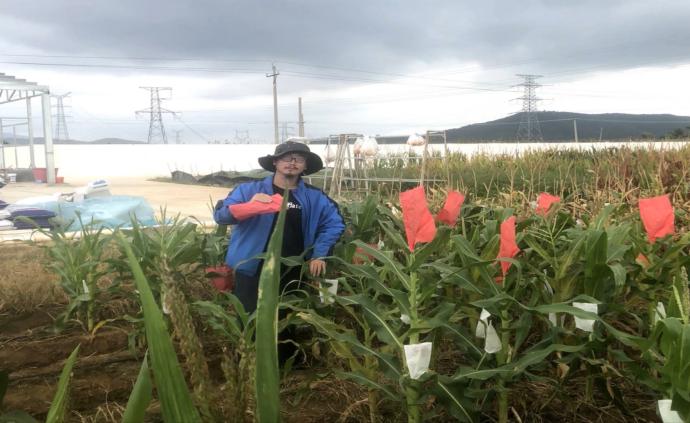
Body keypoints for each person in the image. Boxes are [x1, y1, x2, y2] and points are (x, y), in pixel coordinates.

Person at [213, 141, 345, 314]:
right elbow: (221, 216)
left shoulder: (315, 197)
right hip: (251, 267)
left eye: (298, 159)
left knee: (287, 320)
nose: (292, 162)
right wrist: (251, 206)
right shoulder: (249, 190)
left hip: (292, 269)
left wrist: (319, 254)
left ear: (305, 166)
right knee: (248, 318)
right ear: (275, 162)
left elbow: (334, 224)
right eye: (285, 158)